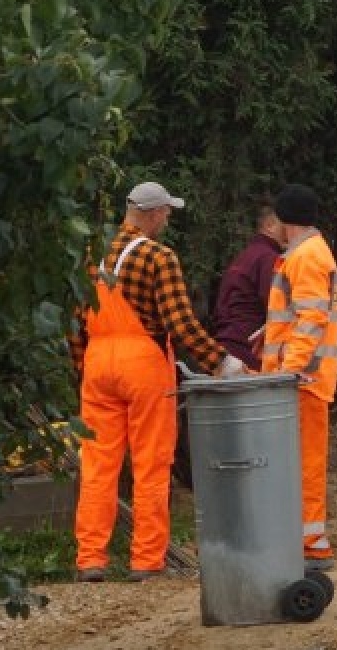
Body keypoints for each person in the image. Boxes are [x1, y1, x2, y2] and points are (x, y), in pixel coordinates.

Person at [70, 180, 246, 582]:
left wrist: (82, 369)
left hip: (97, 363)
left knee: (98, 465)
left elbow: (74, 324)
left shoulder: (90, 257)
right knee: (151, 463)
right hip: (143, 363)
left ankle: (90, 559)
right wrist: (221, 363)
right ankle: (147, 561)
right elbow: (180, 324)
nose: (168, 217)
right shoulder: (158, 258)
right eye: (166, 211)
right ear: (151, 213)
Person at [260, 183, 337, 569]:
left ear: (282, 221)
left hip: (302, 381)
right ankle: (307, 540)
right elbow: (305, 314)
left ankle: (311, 545)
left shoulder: (305, 256)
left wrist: (288, 370)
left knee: (304, 465)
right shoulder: (307, 253)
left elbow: (311, 317)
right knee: (302, 464)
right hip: (304, 379)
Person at [210, 203, 287, 369]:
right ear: (269, 226)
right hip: (248, 349)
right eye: (285, 226)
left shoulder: (243, 257)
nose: (289, 232)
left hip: (225, 346)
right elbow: (275, 306)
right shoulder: (270, 259)